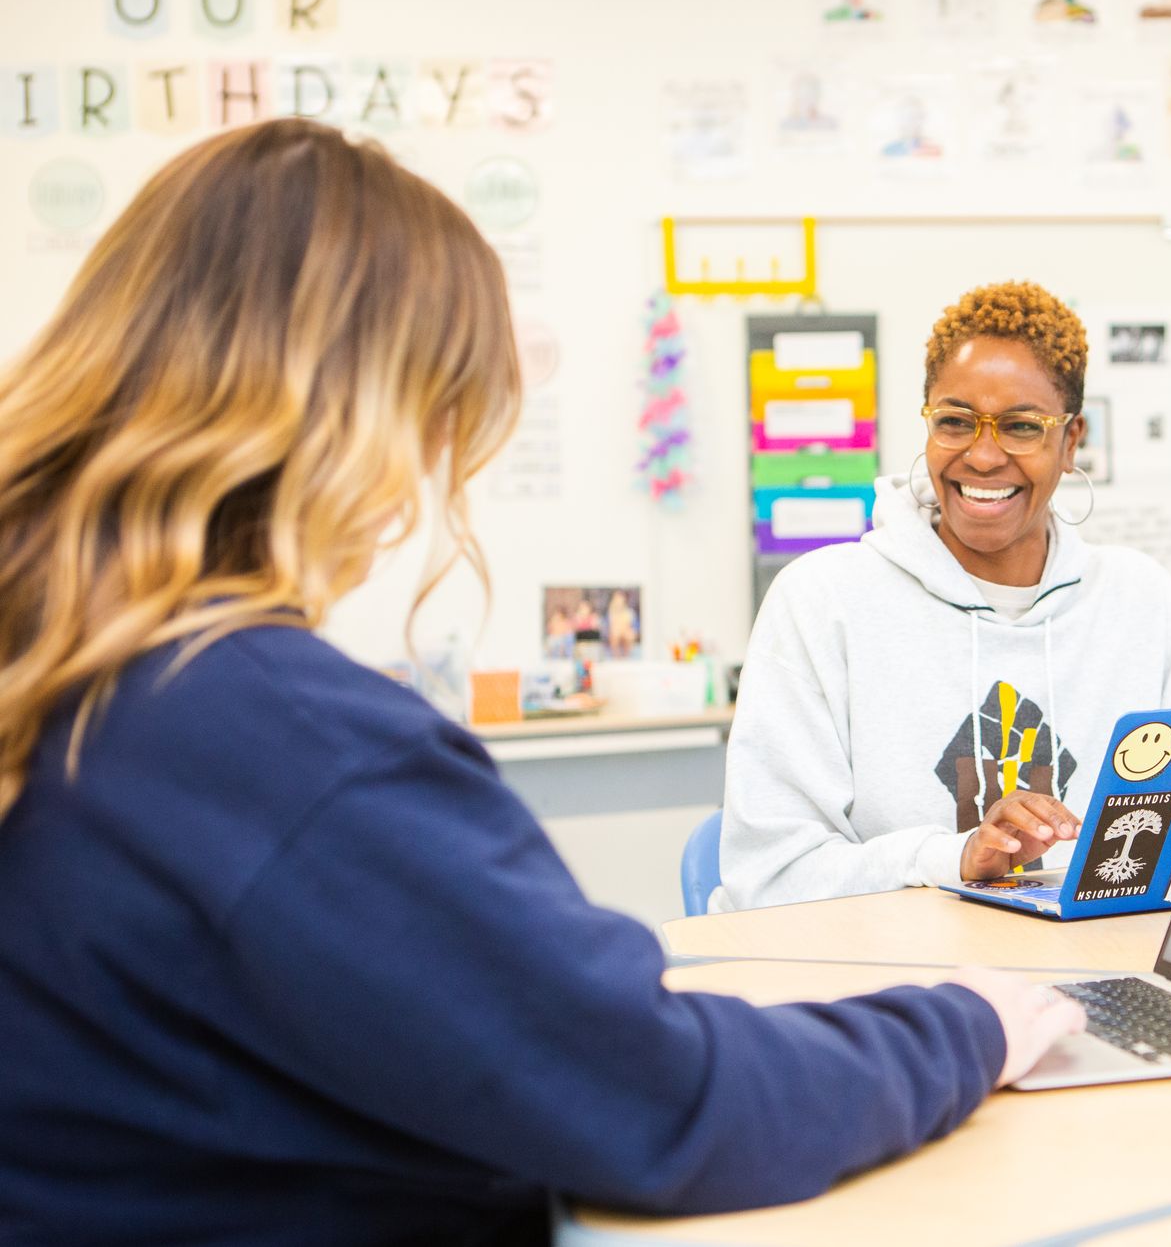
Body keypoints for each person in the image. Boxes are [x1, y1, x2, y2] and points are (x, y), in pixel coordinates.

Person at [0, 120, 1082, 1242]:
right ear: (362, 415)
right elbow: (666, 1100)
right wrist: (965, 1027)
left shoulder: (65, 665)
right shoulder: (277, 742)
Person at [720, 281, 1171, 911]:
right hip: (894, 988)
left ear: (1072, 441)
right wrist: (950, 857)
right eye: (954, 421)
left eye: (1022, 427)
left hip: (1088, 973)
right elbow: (770, 877)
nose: (982, 455)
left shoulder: (1139, 601)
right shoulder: (822, 601)